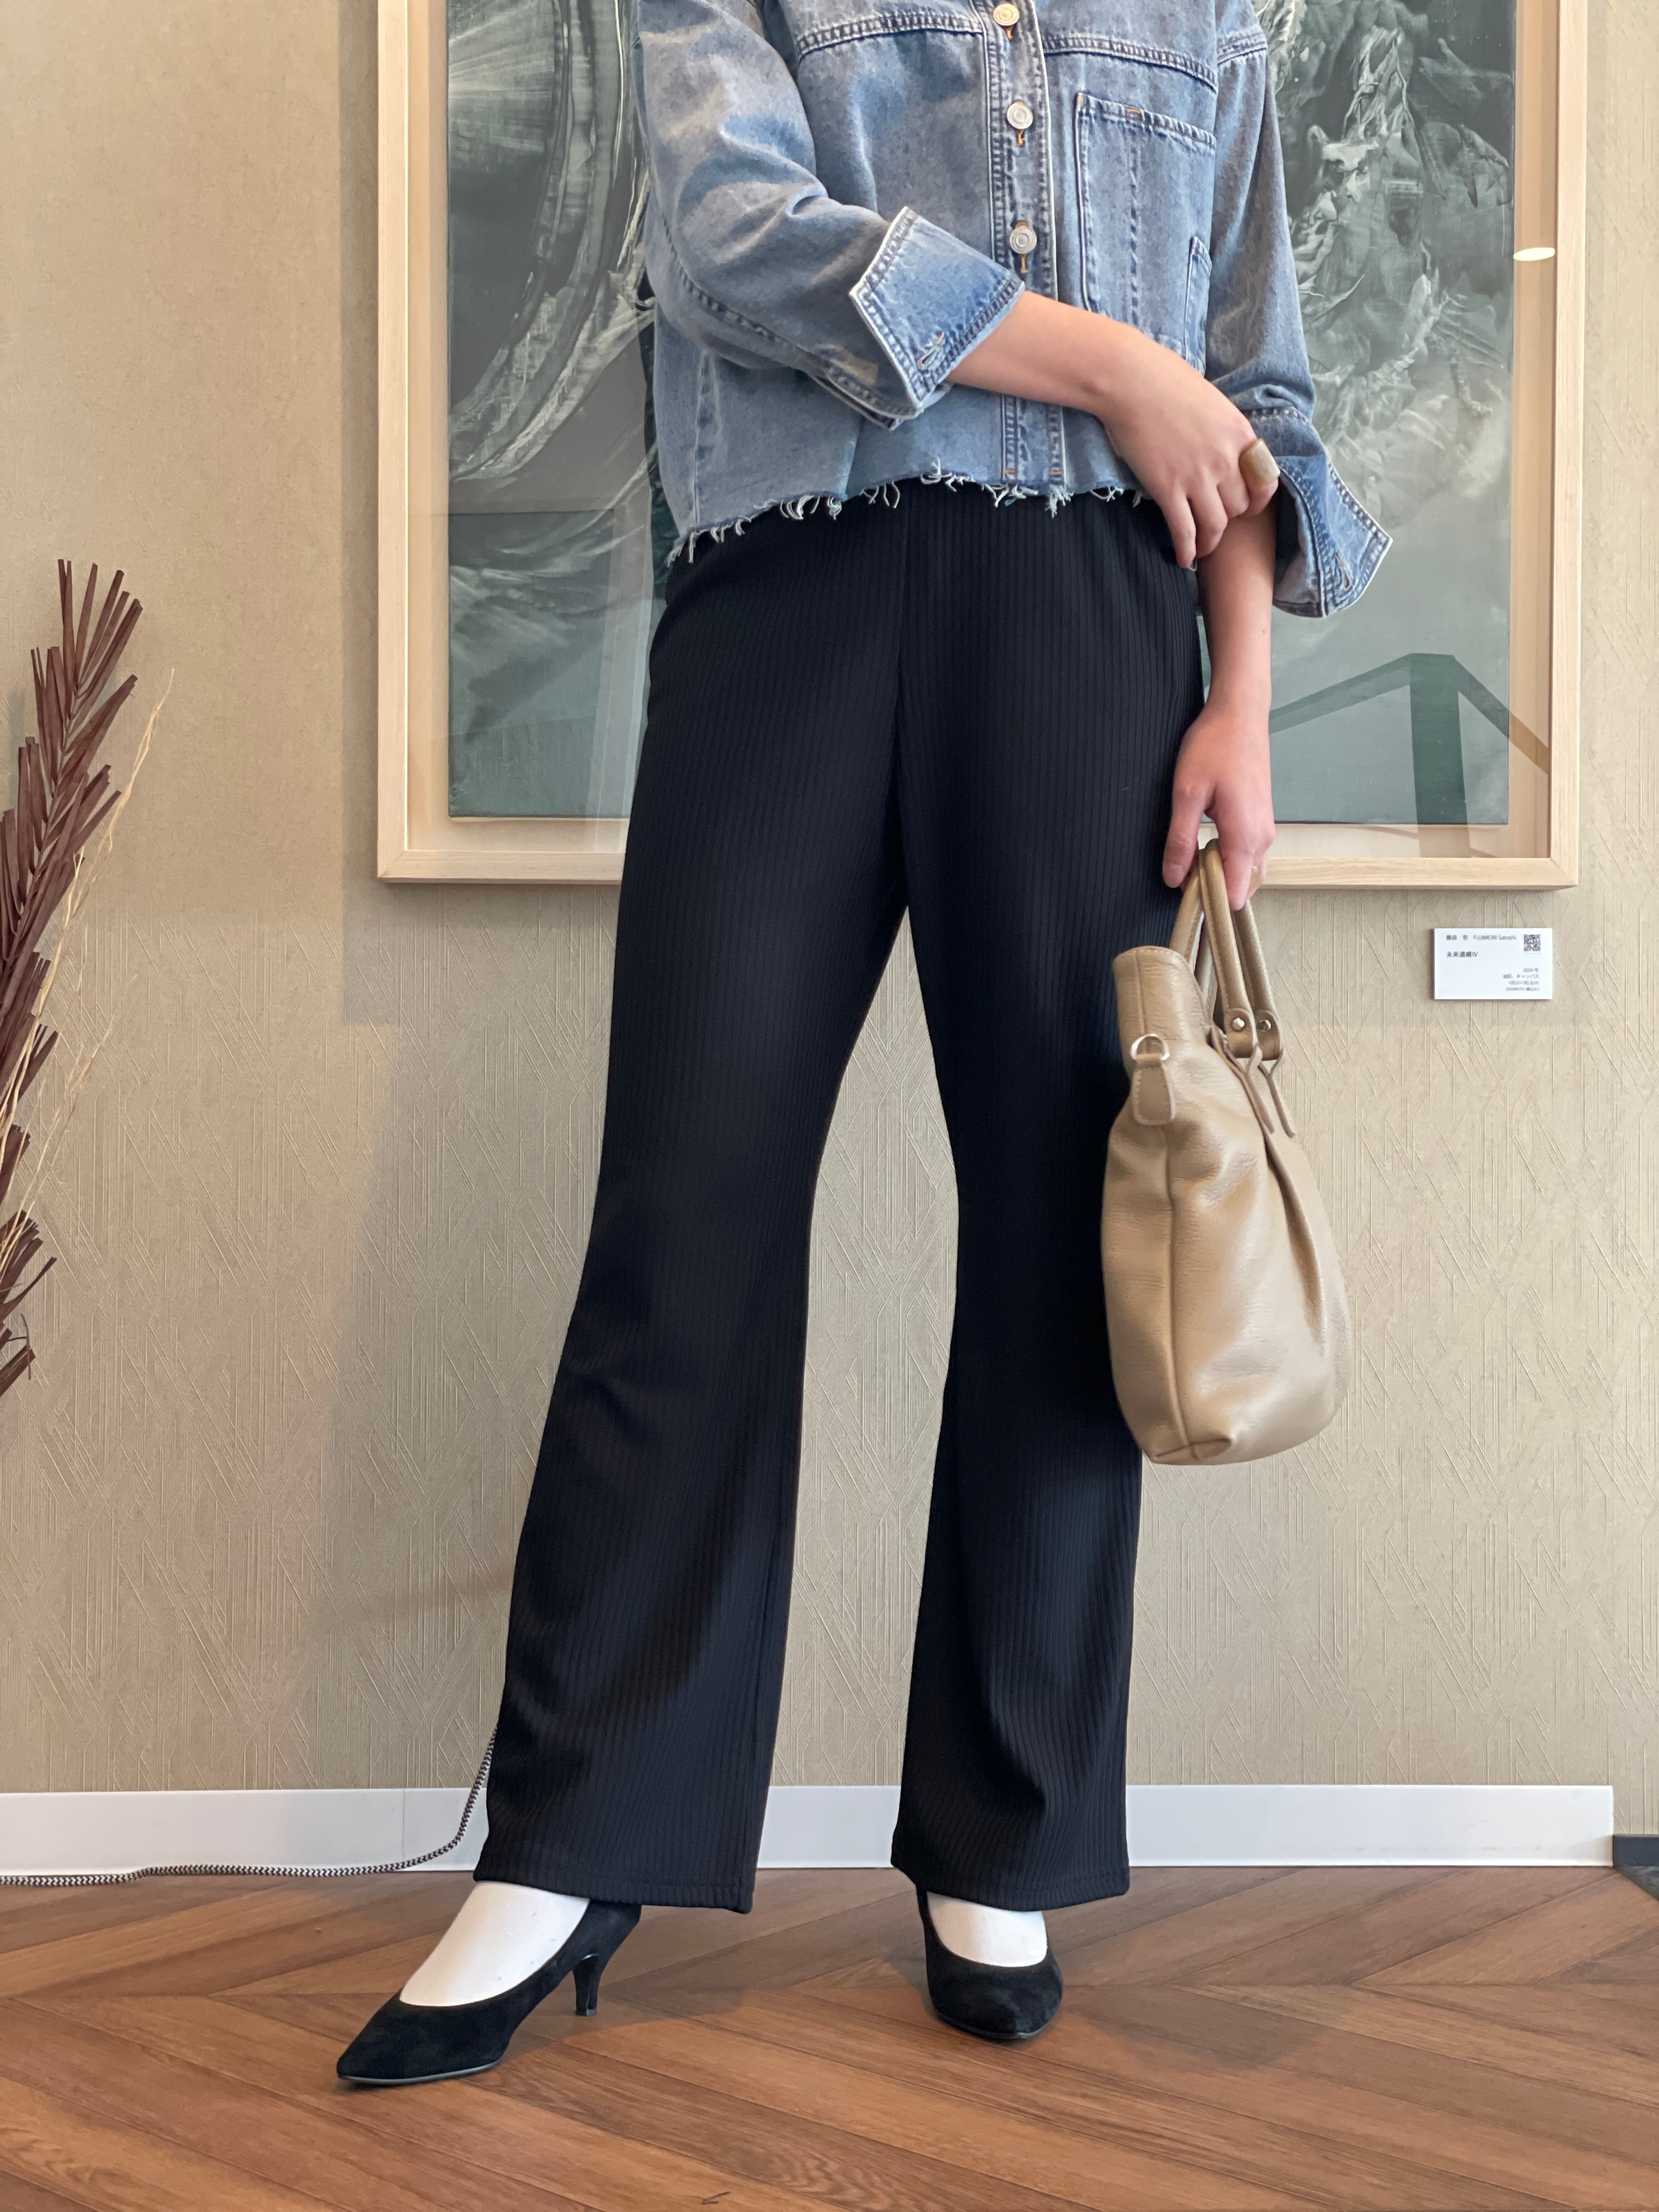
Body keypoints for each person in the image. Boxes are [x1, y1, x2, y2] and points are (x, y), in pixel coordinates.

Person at [337, 0, 1387, 2087]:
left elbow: (1253, 389)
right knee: (686, 1225)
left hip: (1095, 619)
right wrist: (1111, 367)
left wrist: (1241, 704)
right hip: (788, 602)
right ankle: (571, 1838)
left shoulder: (1209, 16)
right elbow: (735, 233)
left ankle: (1003, 1836)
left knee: (1072, 1243)